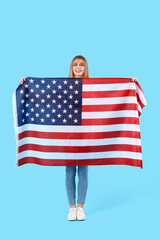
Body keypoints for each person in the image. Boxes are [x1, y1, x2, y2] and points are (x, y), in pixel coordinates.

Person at [19, 55, 138, 221]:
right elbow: (47, 96)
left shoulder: (93, 86)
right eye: (75, 64)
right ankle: (71, 208)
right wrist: (28, 84)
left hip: (87, 135)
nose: (78, 67)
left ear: (85, 68)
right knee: (69, 170)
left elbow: (111, 93)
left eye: (81, 65)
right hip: (68, 134)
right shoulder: (63, 86)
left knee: (83, 170)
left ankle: (80, 207)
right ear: (71, 68)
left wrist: (129, 83)